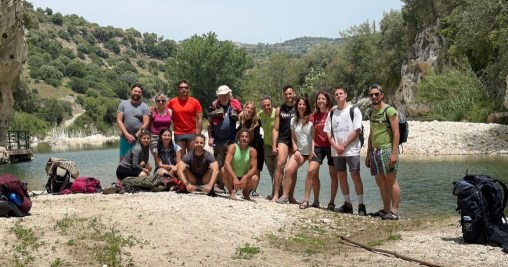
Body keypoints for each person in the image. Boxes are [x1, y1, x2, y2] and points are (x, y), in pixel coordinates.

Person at [324, 87, 366, 215]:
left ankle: (361, 205)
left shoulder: (354, 110)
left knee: (355, 175)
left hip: (352, 149)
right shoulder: (332, 112)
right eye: (336, 94)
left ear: (346, 95)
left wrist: (344, 144)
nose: (338, 96)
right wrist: (336, 146)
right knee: (341, 176)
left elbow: (357, 130)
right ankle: (347, 204)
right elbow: (328, 132)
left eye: (341, 93)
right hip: (337, 151)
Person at [365, 84, 401, 220]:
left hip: (387, 150)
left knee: (391, 180)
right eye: (371, 95)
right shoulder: (372, 112)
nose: (374, 97)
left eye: (376, 94)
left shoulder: (390, 111)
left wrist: (394, 153)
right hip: (375, 152)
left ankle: (395, 211)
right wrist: (368, 153)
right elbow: (371, 133)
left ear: (382, 95)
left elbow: (396, 133)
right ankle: (386, 210)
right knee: (380, 181)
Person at [299, 91, 336, 209]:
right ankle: (307, 200)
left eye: (323, 99)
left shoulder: (332, 114)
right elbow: (310, 133)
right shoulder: (313, 116)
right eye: (318, 99)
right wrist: (311, 148)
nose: (321, 101)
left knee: (333, 175)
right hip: (318, 148)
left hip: (331, 147)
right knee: (311, 171)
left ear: (327, 101)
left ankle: (331, 202)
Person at [276, 96, 313, 204]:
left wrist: (312, 151)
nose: (301, 106)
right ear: (297, 106)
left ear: (307, 106)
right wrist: (296, 150)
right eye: (299, 104)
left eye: (304, 104)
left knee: (313, 174)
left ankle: (315, 200)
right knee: (288, 170)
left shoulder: (311, 119)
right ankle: (285, 196)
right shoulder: (294, 120)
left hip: (311, 152)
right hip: (300, 152)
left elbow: (314, 137)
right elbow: (293, 138)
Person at [207, 85, 242, 191]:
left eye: (226, 95)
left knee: (230, 163)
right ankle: (219, 185)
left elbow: (242, 119)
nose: (224, 97)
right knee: (218, 162)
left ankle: (231, 185)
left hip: (231, 139)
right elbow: (209, 124)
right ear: (218, 96)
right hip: (217, 139)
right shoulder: (214, 106)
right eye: (221, 95)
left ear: (229, 95)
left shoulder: (234, 106)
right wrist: (210, 137)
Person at [271, 85, 296, 202]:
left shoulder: (300, 107)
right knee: (280, 165)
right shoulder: (279, 109)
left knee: (293, 168)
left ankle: (290, 196)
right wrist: (274, 145)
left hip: (296, 141)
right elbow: (275, 129)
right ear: (283, 95)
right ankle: (276, 194)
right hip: (283, 139)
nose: (288, 96)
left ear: (294, 93)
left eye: (290, 93)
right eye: (286, 94)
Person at [167, 80, 203, 156]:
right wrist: (154, 109)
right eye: (181, 88)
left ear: (189, 89)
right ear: (178, 89)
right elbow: (165, 113)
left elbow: (199, 119)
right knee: (181, 156)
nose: (184, 89)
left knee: (192, 155)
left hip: (192, 133)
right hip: (178, 133)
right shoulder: (172, 102)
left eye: (186, 88)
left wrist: (198, 134)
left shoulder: (195, 102)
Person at [222, 128, 260, 200]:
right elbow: (226, 163)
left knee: (255, 178)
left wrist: (245, 177)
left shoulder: (252, 151)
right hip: (232, 177)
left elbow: (254, 168)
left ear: (250, 139)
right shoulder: (233, 147)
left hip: (244, 178)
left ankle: (245, 192)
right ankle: (231, 192)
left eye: (246, 137)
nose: (244, 138)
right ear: (238, 138)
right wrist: (235, 178)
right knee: (223, 170)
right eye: (242, 136)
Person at [116, 83, 151, 160]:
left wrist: (136, 136)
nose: (137, 93)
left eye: (139, 92)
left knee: (140, 161)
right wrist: (127, 135)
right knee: (123, 160)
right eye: (135, 91)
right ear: (131, 91)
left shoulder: (145, 106)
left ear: (141, 94)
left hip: (140, 139)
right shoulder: (123, 104)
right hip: (125, 138)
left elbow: (146, 123)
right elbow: (119, 120)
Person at [237, 101, 264, 197]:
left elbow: (256, 136)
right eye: (247, 108)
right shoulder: (241, 118)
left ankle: (254, 190)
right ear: (244, 108)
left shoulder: (257, 120)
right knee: (246, 167)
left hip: (257, 146)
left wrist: (252, 149)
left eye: (251, 109)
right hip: (245, 146)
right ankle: (244, 187)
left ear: (254, 111)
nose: (249, 110)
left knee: (256, 168)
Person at [258, 95, 278, 199]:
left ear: (272, 104)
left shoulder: (277, 113)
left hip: (278, 146)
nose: (267, 107)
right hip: (266, 146)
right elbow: (251, 116)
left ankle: (278, 193)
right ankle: (275, 192)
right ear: (261, 107)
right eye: (264, 105)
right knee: (271, 171)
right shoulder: (260, 114)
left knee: (278, 170)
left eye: (268, 105)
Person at [150, 92, 173, 159]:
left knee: (167, 157)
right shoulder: (152, 111)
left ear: (166, 101)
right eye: (158, 100)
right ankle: (159, 169)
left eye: (163, 100)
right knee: (158, 158)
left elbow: (173, 124)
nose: (160, 102)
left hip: (167, 137)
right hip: (155, 138)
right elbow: (148, 125)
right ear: (155, 101)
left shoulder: (170, 111)